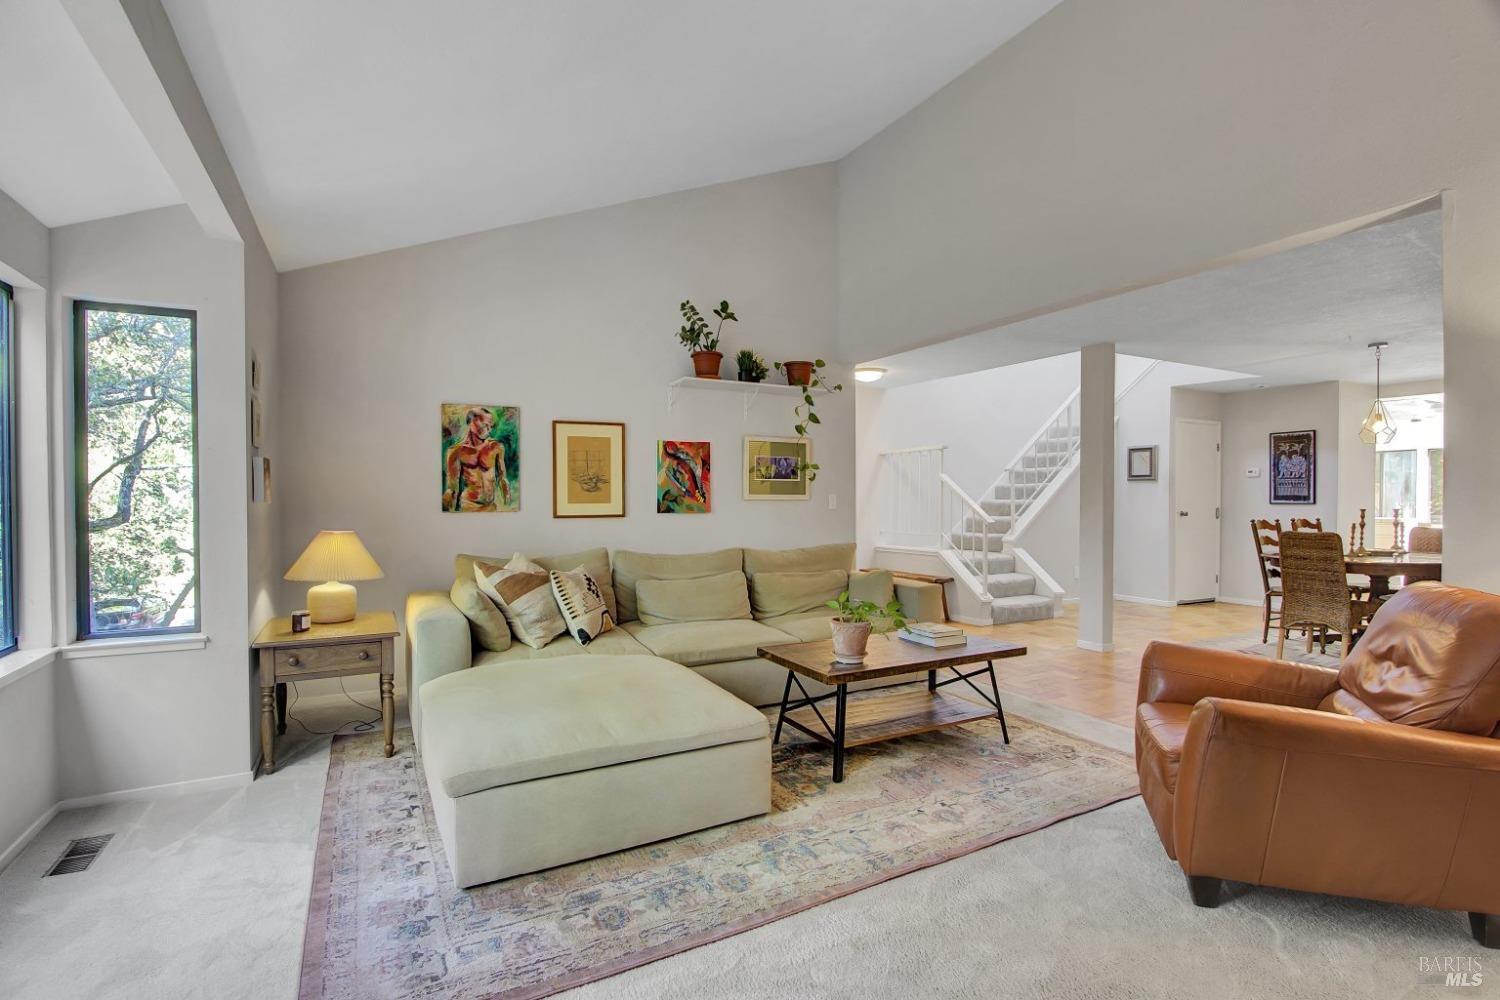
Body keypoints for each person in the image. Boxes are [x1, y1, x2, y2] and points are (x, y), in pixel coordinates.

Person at [443, 407, 511, 511]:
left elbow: (503, 478)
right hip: (468, 506)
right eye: (485, 425)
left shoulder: (496, 447)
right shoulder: (456, 452)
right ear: (472, 423)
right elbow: (452, 488)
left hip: (491, 506)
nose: (489, 429)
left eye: (490, 426)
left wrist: (508, 503)